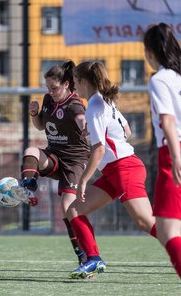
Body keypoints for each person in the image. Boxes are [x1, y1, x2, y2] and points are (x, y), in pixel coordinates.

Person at [66, 61, 157, 279]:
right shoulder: (104, 102)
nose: (73, 87)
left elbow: (98, 149)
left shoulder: (95, 107)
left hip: (124, 169)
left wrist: (84, 179)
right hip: (117, 169)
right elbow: (127, 131)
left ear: (83, 82)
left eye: (75, 82)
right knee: (74, 211)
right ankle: (94, 259)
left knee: (145, 222)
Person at [12, 60, 101, 265]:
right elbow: (41, 126)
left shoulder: (74, 104)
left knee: (68, 207)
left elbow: (81, 118)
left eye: (54, 88)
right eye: (48, 88)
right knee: (31, 151)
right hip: (54, 156)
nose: (50, 92)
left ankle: (85, 254)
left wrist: (85, 125)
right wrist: (34, 113)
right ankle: (28, 187)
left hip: (75, 162)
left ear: (67, 85)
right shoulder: (49, 99)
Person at [143, 23, 181, 296]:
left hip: (173, 152)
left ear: (149, 51)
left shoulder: (160, 80)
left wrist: (176, 157)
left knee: (168, 232)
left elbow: (167, 121)